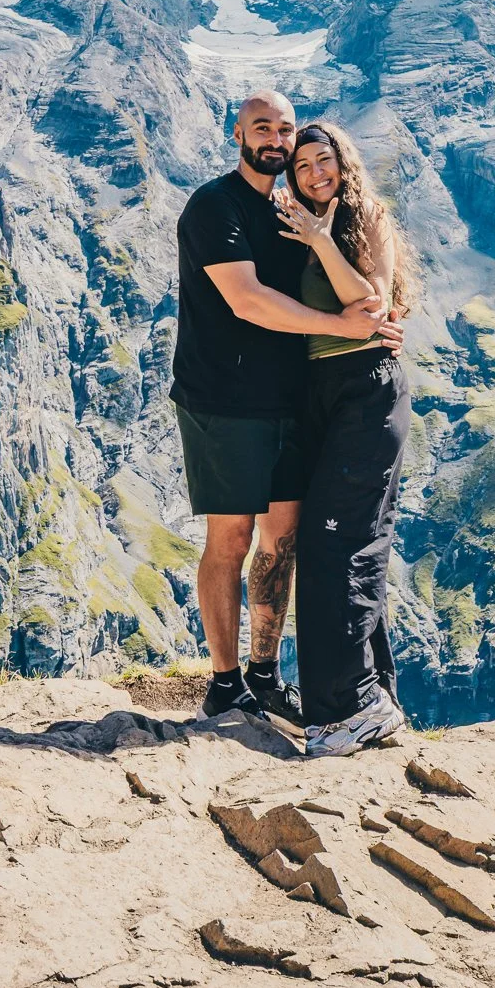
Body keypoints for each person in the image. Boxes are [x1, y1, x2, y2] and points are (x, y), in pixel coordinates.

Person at [171, 91, 402, 723]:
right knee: (232, 537)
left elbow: (353, 278)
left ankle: (264, 674)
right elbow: (248, 301)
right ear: (238, 133)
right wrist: (350, 327)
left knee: (282, 539)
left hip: (291, 402)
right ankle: (224, 682)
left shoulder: (290, 210)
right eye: (262, 128)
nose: (275, 139)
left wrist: (383, 320)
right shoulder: (215, 207)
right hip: (222, 401)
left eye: (285, 130)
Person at [274, 120, 416, 758]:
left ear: (342, 162)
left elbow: (372, 305)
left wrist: (323, 240)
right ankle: (371, 697)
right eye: (301, 166)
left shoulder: (367, 220)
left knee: (338, 546)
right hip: (318, 397)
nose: (313, 174)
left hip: (365, 390)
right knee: (344, 543)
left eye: (323, 161)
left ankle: (339, 714)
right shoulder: (293, 225)